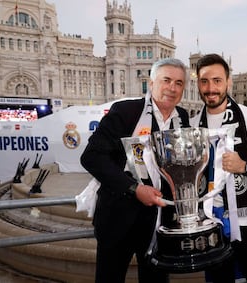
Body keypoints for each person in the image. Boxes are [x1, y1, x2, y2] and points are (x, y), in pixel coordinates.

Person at [80, 57, 190, 283]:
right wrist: (133, 188)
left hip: (161, 224)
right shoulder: (126, 111)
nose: (172, 87)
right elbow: (91, 157)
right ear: (151, 84)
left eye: (179, 83)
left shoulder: (184, 119)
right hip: (118, 218)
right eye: (166, 80)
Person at [190, 53, 247, 283]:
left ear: (228, 81)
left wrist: (245, 165)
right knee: (217, 279)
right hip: (212, 217)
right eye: (204, 81)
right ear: (198, 84)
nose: (210, 88)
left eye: (217, 80)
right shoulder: (193, 124)